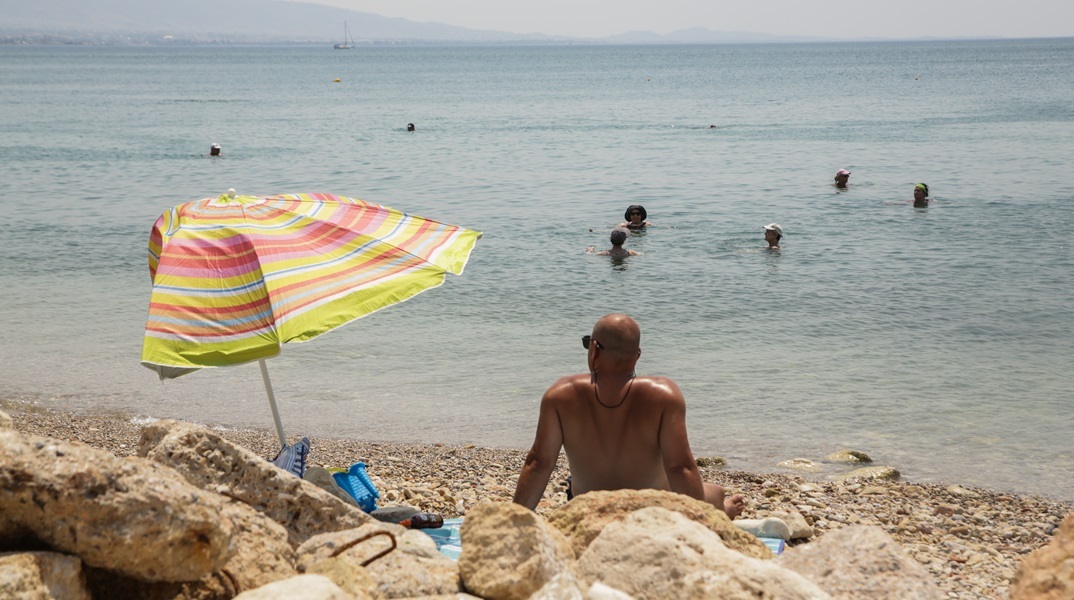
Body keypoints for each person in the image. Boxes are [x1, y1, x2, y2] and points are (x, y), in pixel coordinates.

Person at [512, 313, 746, 518]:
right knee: (715, 492)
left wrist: (514, 522)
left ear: (594, 349)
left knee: (711, 491)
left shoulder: (560, 395)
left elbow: (539, 463)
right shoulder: (664, 394)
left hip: (589, 508)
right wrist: (700, 524)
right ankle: (722, 511)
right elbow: (680, 468)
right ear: (637, 355)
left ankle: (720, 507)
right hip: (652, 510)